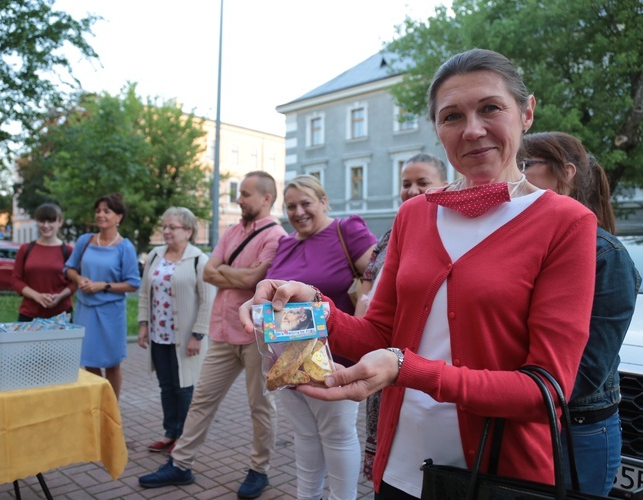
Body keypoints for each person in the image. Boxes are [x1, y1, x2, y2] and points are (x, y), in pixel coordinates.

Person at [241, 48, 598, 499]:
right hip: (402, 466)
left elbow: (544, 389)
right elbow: (379, 334)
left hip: (495, 475)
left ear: (526, 112)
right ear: (437, 129)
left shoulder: (565, 223)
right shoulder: (415, 215)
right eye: (452, 117)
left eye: (490, 108)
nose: (472, 130)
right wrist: (315, 306)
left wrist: (409, 369)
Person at [139, 171, 287, 499]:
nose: (239, 199)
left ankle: (259, 470)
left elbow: (255, 279)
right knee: (202, 400)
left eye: (245, 194)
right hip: (222, 332)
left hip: (256, 335)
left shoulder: (275, 235)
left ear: (265, 198)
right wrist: (237, 276)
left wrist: (229, 275)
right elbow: (209, 271)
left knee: (261, 406)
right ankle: (180, 464)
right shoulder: (232, 230)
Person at [520, 131, 640, 495]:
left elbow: (586, 371)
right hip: (524, 418)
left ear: (566, 173)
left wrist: (489, 388)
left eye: (524, 165)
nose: (513, 174)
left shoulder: (606, 254)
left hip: (579, 429)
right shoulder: (522, 243)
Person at [264, 174, 377, 500]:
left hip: (333, 356)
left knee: (338, 436)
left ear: (324, 202)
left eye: (306, 203)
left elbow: (379, 277)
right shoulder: (285, 242)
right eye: (291, 206)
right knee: (305, 436)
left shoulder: (346, 230)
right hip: (287, 357)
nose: (298, 212)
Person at [357, 153, 448, 482]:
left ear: (444, 184)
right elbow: (366, 289)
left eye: (422, 183)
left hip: (427, 363)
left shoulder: (450, 232)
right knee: (391, 451)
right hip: (385, 354)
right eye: (405, 184)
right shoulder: (392, 233)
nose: (411, 191)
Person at [137, 207, 217, 453]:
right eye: (165, 226)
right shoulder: (154, 255)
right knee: (166, 385)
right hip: (160, 336)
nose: (167, 231)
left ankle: (185, 438)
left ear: (189, 231)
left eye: (173, 227)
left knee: (184, 388)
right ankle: (170, 433)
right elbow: (144, 293)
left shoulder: (198, 259)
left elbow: (208, 301)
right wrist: (143, 325)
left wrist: (198, 335)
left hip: (186, 339)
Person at [65, 193, 141, 400]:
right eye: (98, 211)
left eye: (107, 211)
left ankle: (112, 406)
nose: (101, 215)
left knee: (112, 363)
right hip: (86, 310)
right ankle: (96, 404)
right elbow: (69, 268)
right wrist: (79, 279)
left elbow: (133, 284)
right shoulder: (85, 241)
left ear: (119, 217)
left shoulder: (125, 247)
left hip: (111, 313)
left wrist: (102, 286)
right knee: (90, 361)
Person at [11, 203, 75, 321]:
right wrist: (37, 296)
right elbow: (16, 280)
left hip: (61, 315)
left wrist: (60, 297)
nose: (46, 225)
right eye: (42, 221)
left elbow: (74, 282)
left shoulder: (68, 251)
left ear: (59, 222)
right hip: (29, 314)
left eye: (51, 221)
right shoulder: (26, 249)